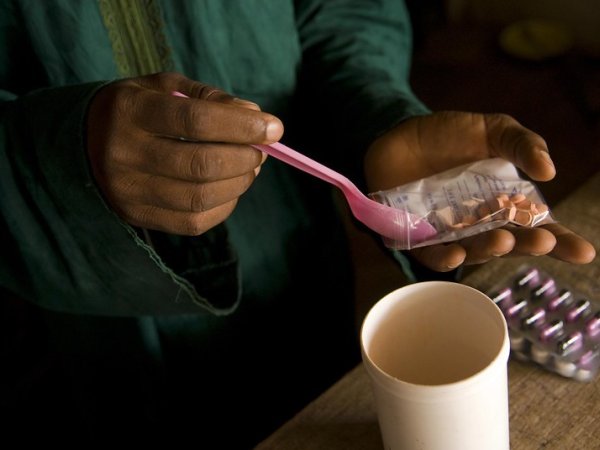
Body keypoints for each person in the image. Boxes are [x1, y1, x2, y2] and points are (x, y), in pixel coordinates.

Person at [1, 0, 594, 447]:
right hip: (100, 337)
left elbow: (343, 11)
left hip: (304, 275)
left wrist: (375, 111)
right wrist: (56, 160)